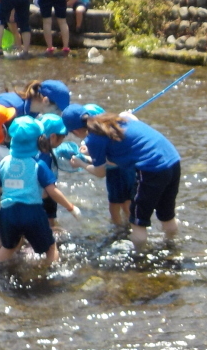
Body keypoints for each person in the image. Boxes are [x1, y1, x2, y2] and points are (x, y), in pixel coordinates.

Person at [62, 104, 180, 247]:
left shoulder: (93, 139)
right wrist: (91, 153)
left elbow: (101, 172)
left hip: (152, 168)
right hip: (172, 159)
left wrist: (81, 163)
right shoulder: (117, 119)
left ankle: (139, 257)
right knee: (167, 214)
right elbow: (120, 151)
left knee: (137, 221)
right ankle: (171, 245)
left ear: (75, 130)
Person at [0, 117, 80, 265]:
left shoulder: (4, 163)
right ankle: (54, 273)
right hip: (32, 213)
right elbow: (52, 191)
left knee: (8, 247)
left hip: (7, 213)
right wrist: (71, 207)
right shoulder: (39, 165)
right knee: (50, 247)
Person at [0, 80, 71, 169]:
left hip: (1, 130)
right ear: (46, 101)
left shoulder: (34, 111)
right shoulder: (12, 105)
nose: (58, 114)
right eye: (57, 109)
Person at [66, 103, 135, 226]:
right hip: (129, 168)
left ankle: (119, 228)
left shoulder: (94, 139)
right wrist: (87, 155)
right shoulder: (111, 129)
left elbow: (101, 169)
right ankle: (130, 225)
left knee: (115, 205)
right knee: (128, 202)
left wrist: (81, 162)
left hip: (116, 173)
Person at [36, 113, 69, 227]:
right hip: (45, 195)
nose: (63, 141)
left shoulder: (42, 152)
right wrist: (70, 207)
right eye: (62, 137)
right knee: (48, 226)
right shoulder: (45, 157)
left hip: (46, 194)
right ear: (53, 137)